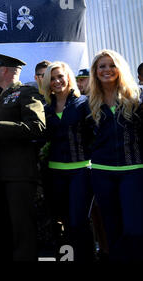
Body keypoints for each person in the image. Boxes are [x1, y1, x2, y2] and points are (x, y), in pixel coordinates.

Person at [0, 53, 46, 261]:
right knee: (2, 230)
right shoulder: (0, 98)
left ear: (5, 71)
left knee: (22, 230)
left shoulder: (26, 93)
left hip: (18, 174)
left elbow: (38, 127)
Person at [87, 49, 143, 261]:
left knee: (135, 229)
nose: (107, 70)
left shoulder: (136, 99)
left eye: (111, 65)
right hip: (102, 173)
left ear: (120, 69)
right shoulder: (88, 103)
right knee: (113, 231)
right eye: (102, 66)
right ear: (95, 71)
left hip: (134, 172)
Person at [40, 61, 94, 261]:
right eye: (52, 78)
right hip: (55, 173)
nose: (56, 81)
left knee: (78, 222)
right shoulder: (45, 109)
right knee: (60, 223)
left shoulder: (84, 103)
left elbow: (95, 136)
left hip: (81, 171)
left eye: (60, 76)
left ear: (68, 77)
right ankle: (66, 259)